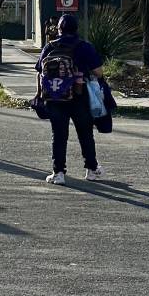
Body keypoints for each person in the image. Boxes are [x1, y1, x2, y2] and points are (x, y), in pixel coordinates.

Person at [34, 12, 105, 185]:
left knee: (58, 135)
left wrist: (41, 94)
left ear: (59, 29)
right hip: (79, 97)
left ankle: (58, 173)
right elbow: (99, 72)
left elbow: (39, 70)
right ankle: (91, 169)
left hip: (55, 98)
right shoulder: (84, 46)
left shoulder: (50, 47)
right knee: (85, 133)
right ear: (76, 29)